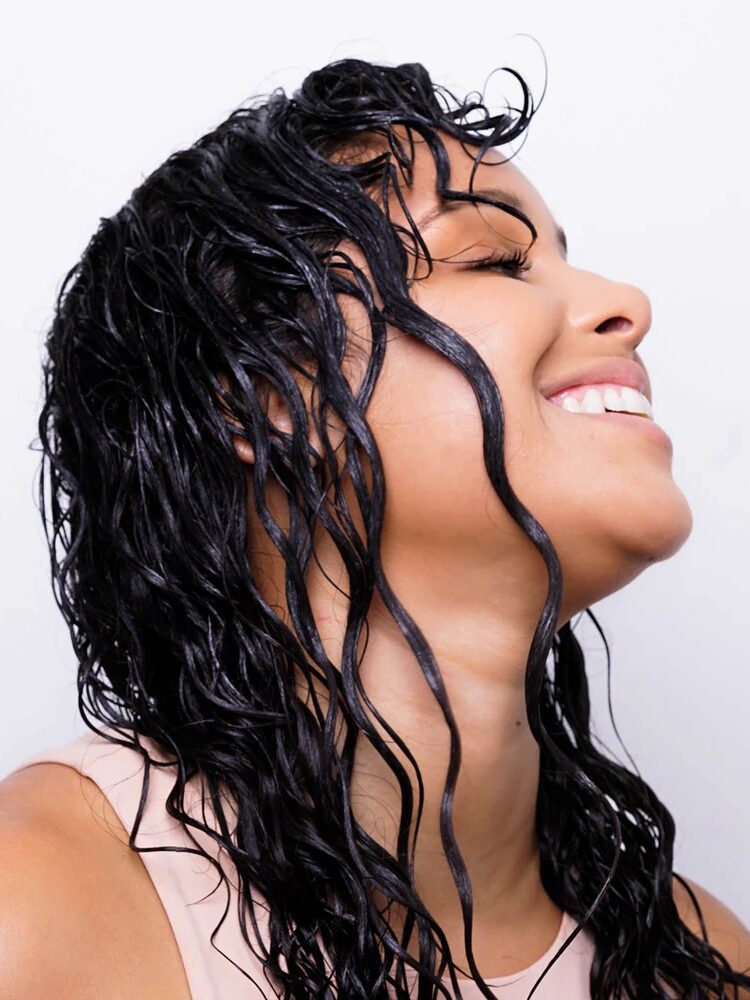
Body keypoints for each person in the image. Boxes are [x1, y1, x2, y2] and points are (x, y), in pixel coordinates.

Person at [0, 56, 748, 1000]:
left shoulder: (700, 962)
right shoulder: (40, 911)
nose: (627, 306)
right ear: (268, 393)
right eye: (495, 259)